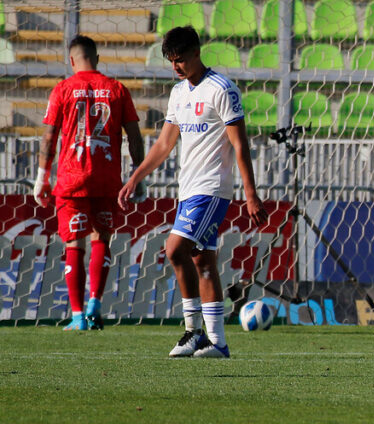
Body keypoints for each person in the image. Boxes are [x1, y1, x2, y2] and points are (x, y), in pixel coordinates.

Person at [119, 26, 268, 359]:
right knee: (202, 261)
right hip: (188, 189)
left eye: (181, 60)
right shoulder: (178, 93)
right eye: (171, 61)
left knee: (174, 250)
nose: (176, 67)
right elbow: (164, 144)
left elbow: (239, 143)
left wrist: (250, 193)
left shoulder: (222, 89)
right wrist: (135, 176)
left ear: (197, 53)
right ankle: (218, 344)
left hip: (212, 188)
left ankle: (193, 332)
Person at [34, 35, 145, 331]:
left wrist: (41, 177)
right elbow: (134, 137)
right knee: (101, 238)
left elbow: (49, 138)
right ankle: (96, 302)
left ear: (72, 60)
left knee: (73, 242)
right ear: (97, 58)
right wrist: (137, 175)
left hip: (72, 179)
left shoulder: (63, 89)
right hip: (107, 178)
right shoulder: (117, 89)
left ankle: (78, 315)